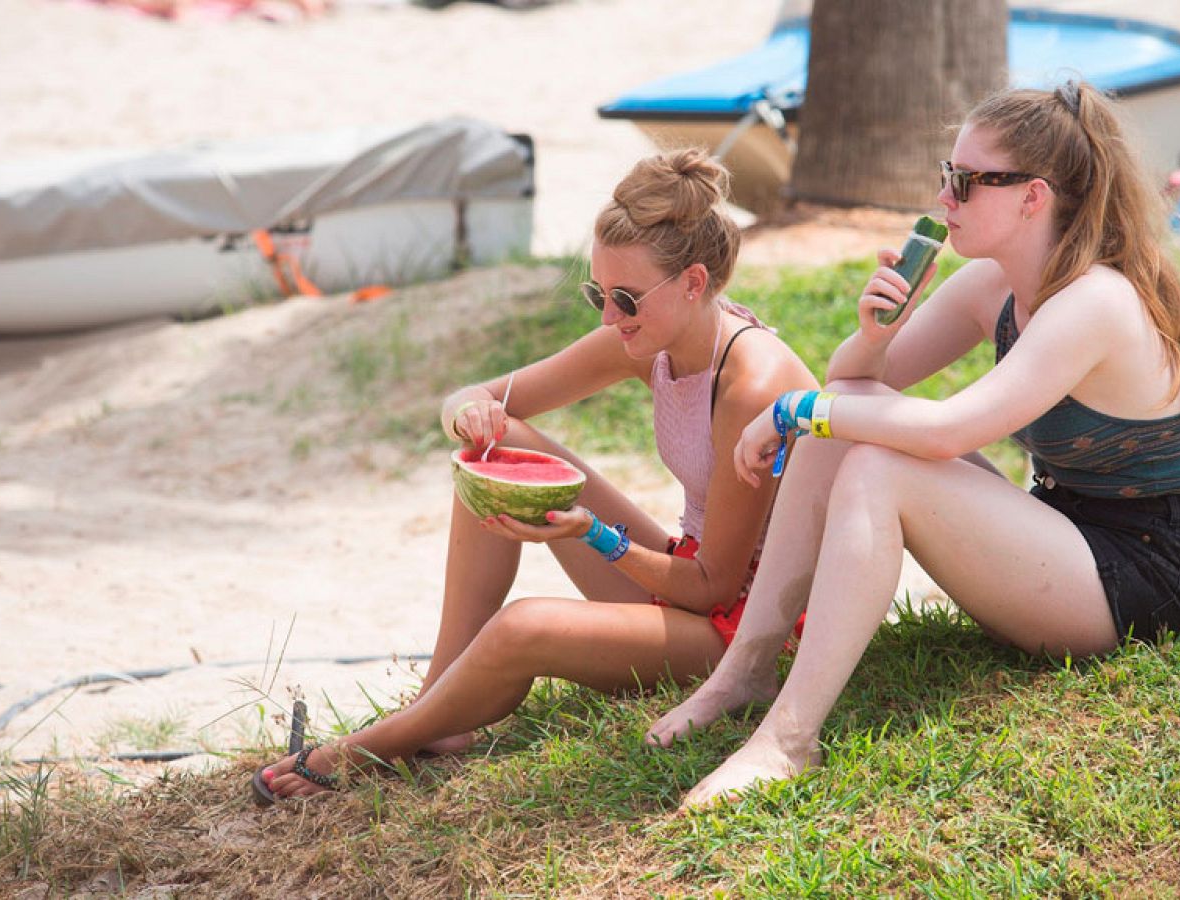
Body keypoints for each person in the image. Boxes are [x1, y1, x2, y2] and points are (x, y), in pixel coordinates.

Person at [644, 81, 1180, 808]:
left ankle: (789, 739)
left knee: (870, 458)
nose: (945, 196)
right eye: (948, 175)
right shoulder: (993, 285)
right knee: (839, 422)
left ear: (1032, 197)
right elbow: (851, 389)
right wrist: (873, 336)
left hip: (1135, 575)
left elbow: (951, 429)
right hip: (1060, 536)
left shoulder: (1095, 301)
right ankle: (745, 670)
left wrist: (792, 408)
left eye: (968, 181)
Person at [254, 149, 816, 801]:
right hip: (691, 580)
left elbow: (711, 589)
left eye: (626, 298)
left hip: (754, 634)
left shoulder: (750, 384)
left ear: (694, 282)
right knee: (497, 448)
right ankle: (439, 711)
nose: (609, 317)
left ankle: (376, 747)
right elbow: (472, 397)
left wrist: (592, 534)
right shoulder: (654, 337)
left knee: (526, 627)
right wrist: (472, 417)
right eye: (598, 294)